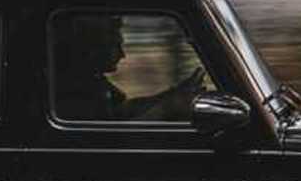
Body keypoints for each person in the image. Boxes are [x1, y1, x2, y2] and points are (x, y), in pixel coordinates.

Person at [53, 14, 204, 121]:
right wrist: (168, 107)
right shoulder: (70, 91)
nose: (122, 54)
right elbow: (112, 141)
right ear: (91, 48)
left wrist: (172, 94)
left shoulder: (91, 81)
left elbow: (124, 112)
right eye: (114, 45)